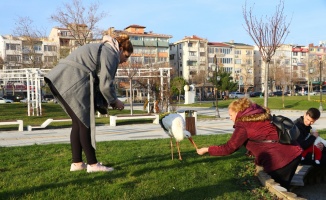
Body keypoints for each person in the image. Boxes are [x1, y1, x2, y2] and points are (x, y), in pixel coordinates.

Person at [44, 34, 133, 172]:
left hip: (60, 79)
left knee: (78, 124)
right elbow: (105, 84)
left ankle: (77, 163)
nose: (125, 61)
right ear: (120, 49)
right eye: (126, 56)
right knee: (85, 123)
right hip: (69, 82)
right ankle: (93, 165)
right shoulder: (111, 53)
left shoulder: (102, 48)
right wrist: (114, 101)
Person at [196, 98, 303, 190]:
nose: (230, 118)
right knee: (284, 188)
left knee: (280, 190)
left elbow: (229, 147)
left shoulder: (243, 124)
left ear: (238, 112)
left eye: (231, 115)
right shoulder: (258, 115)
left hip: (282, 159)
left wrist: (207, 149)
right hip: (293, 152)